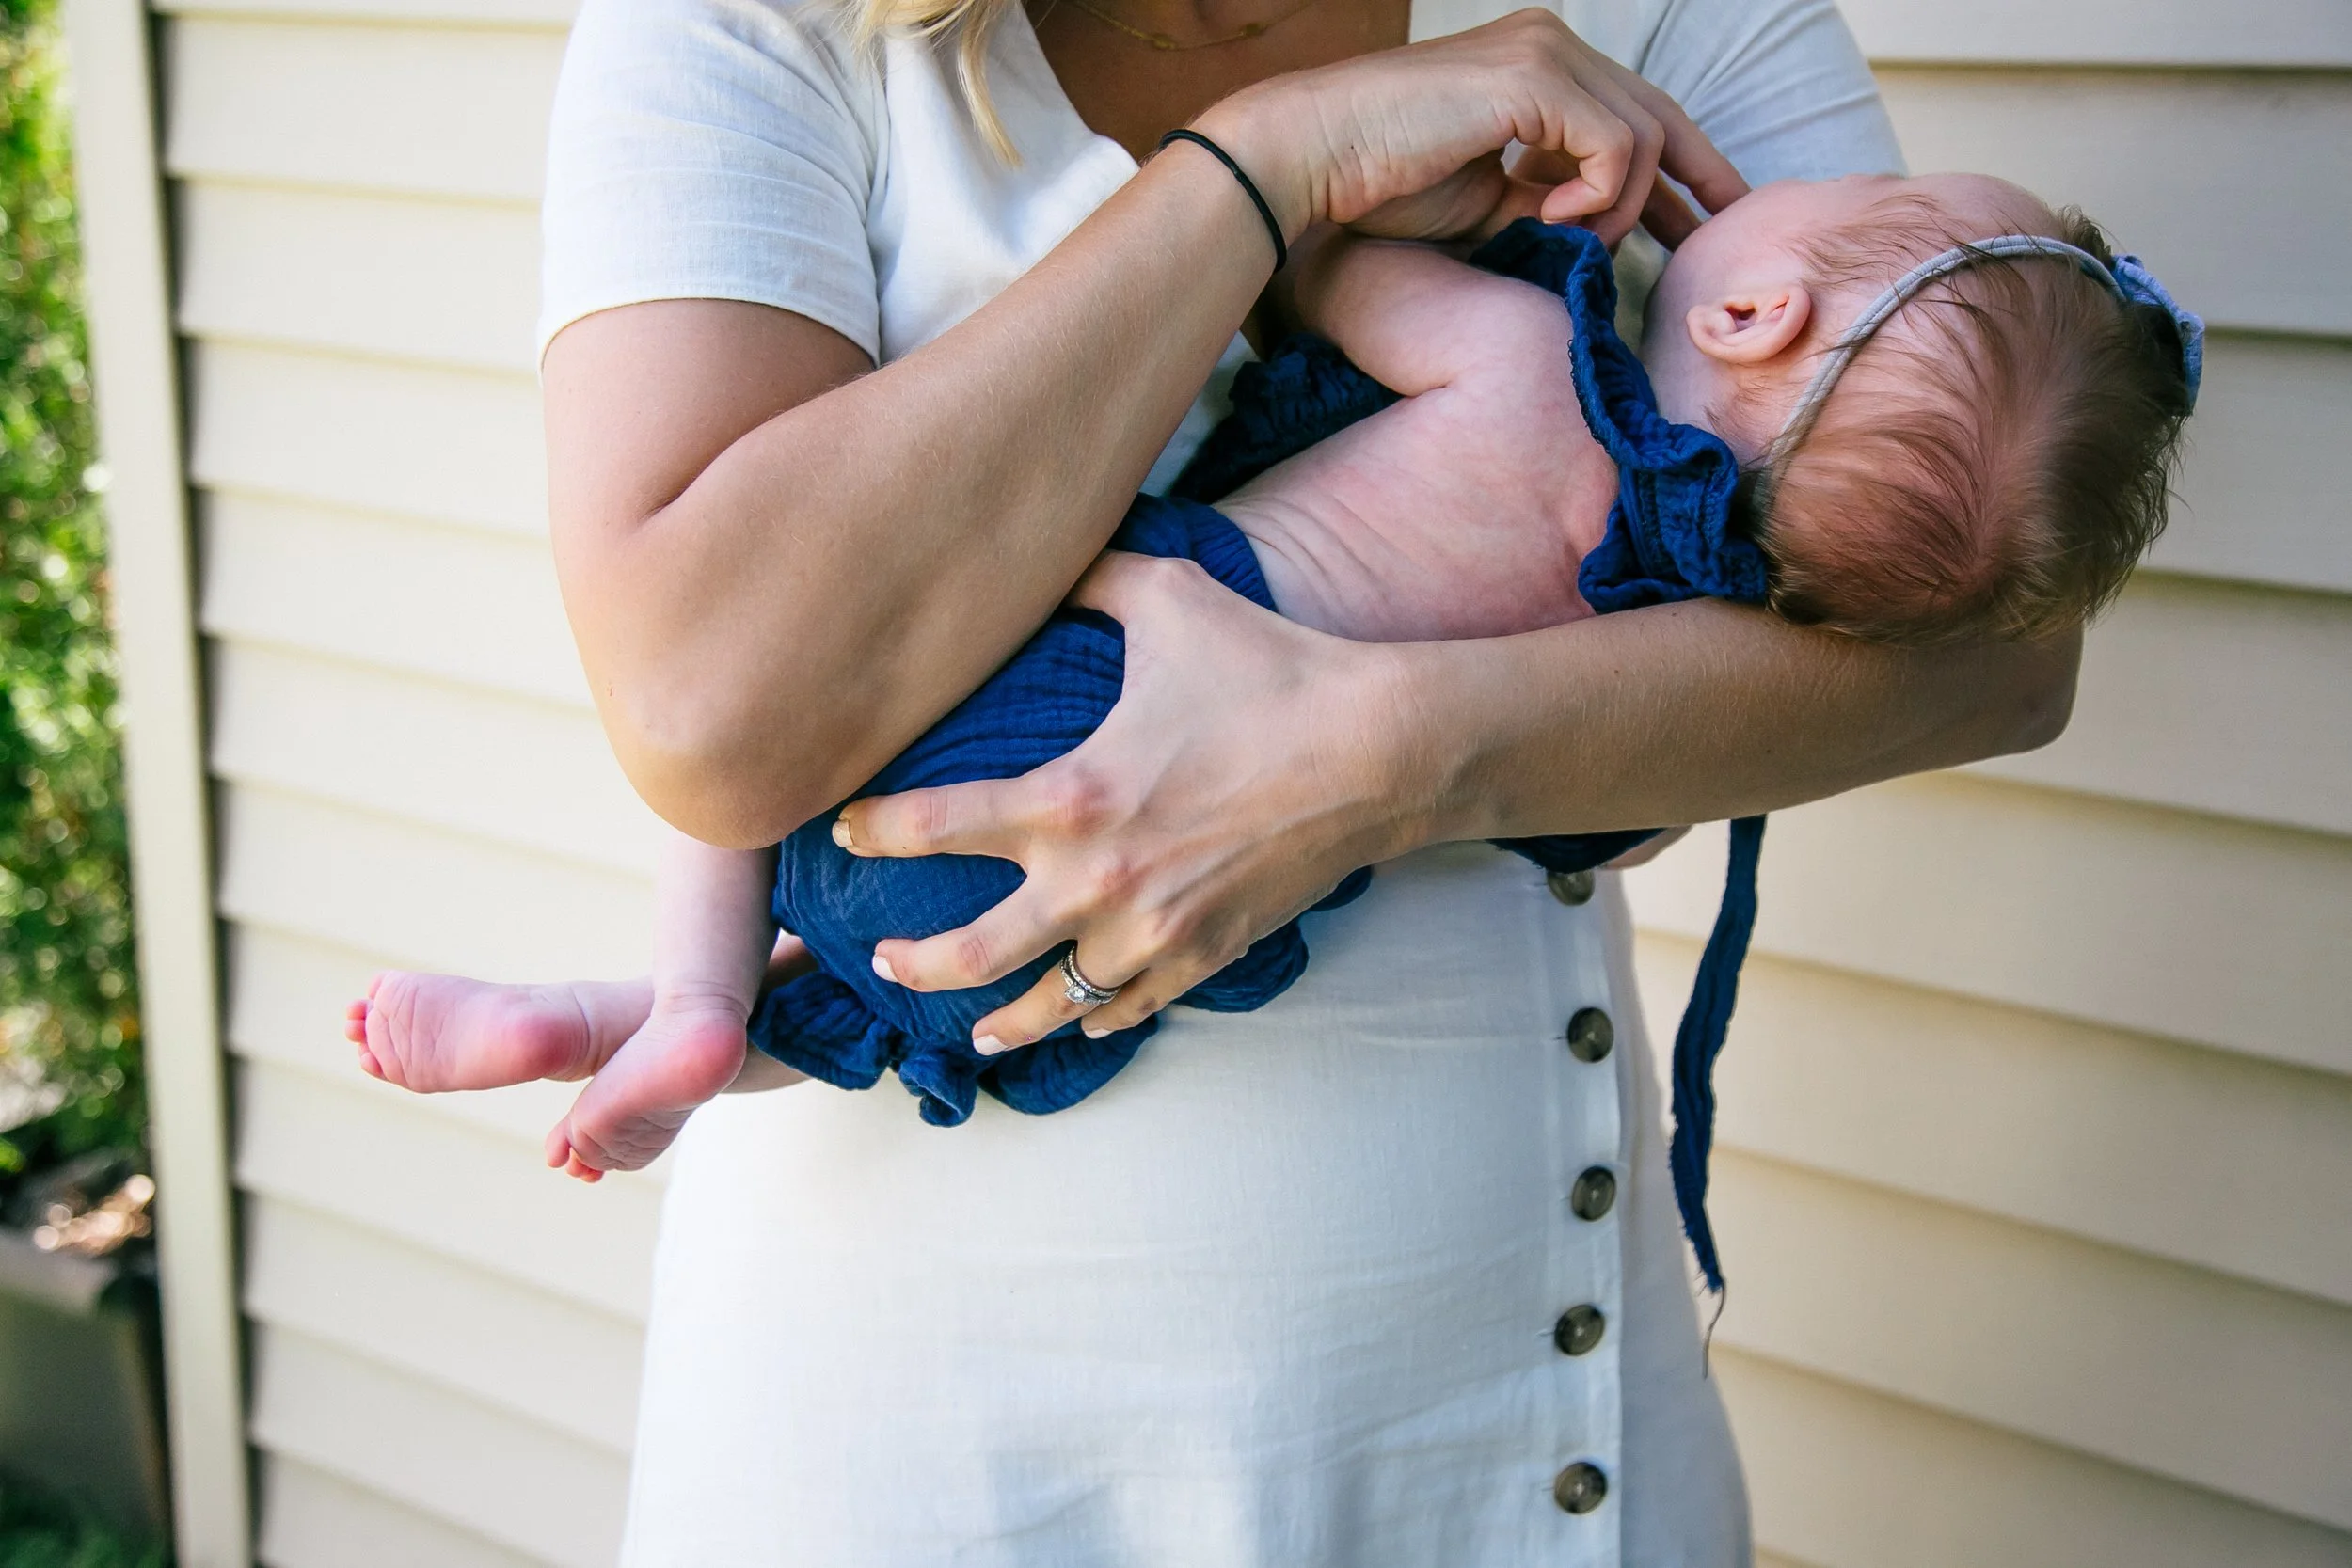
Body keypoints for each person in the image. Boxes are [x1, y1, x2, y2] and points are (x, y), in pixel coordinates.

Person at [362, 0, 2095, 1561]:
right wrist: (1269, 163)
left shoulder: (1673, 22)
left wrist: (1362, 760)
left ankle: (673, 1007)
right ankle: (670, 1013)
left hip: (1508, 1415)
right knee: (848, 815)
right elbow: (713, 709)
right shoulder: (760, 30)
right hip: (939, 1441)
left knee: (888, 851)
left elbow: (1987, 639)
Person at [349, 175, 2194, 1172]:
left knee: (793, 722)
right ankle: (670, 1034)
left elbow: (1315, 262)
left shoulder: (1533, 367)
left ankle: (669, 987)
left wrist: (1455, 200)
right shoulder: (1673, 639)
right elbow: (1619, 826)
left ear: (1747, 308)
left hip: (1088, 670)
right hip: (1170, 900)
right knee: (911, 981)